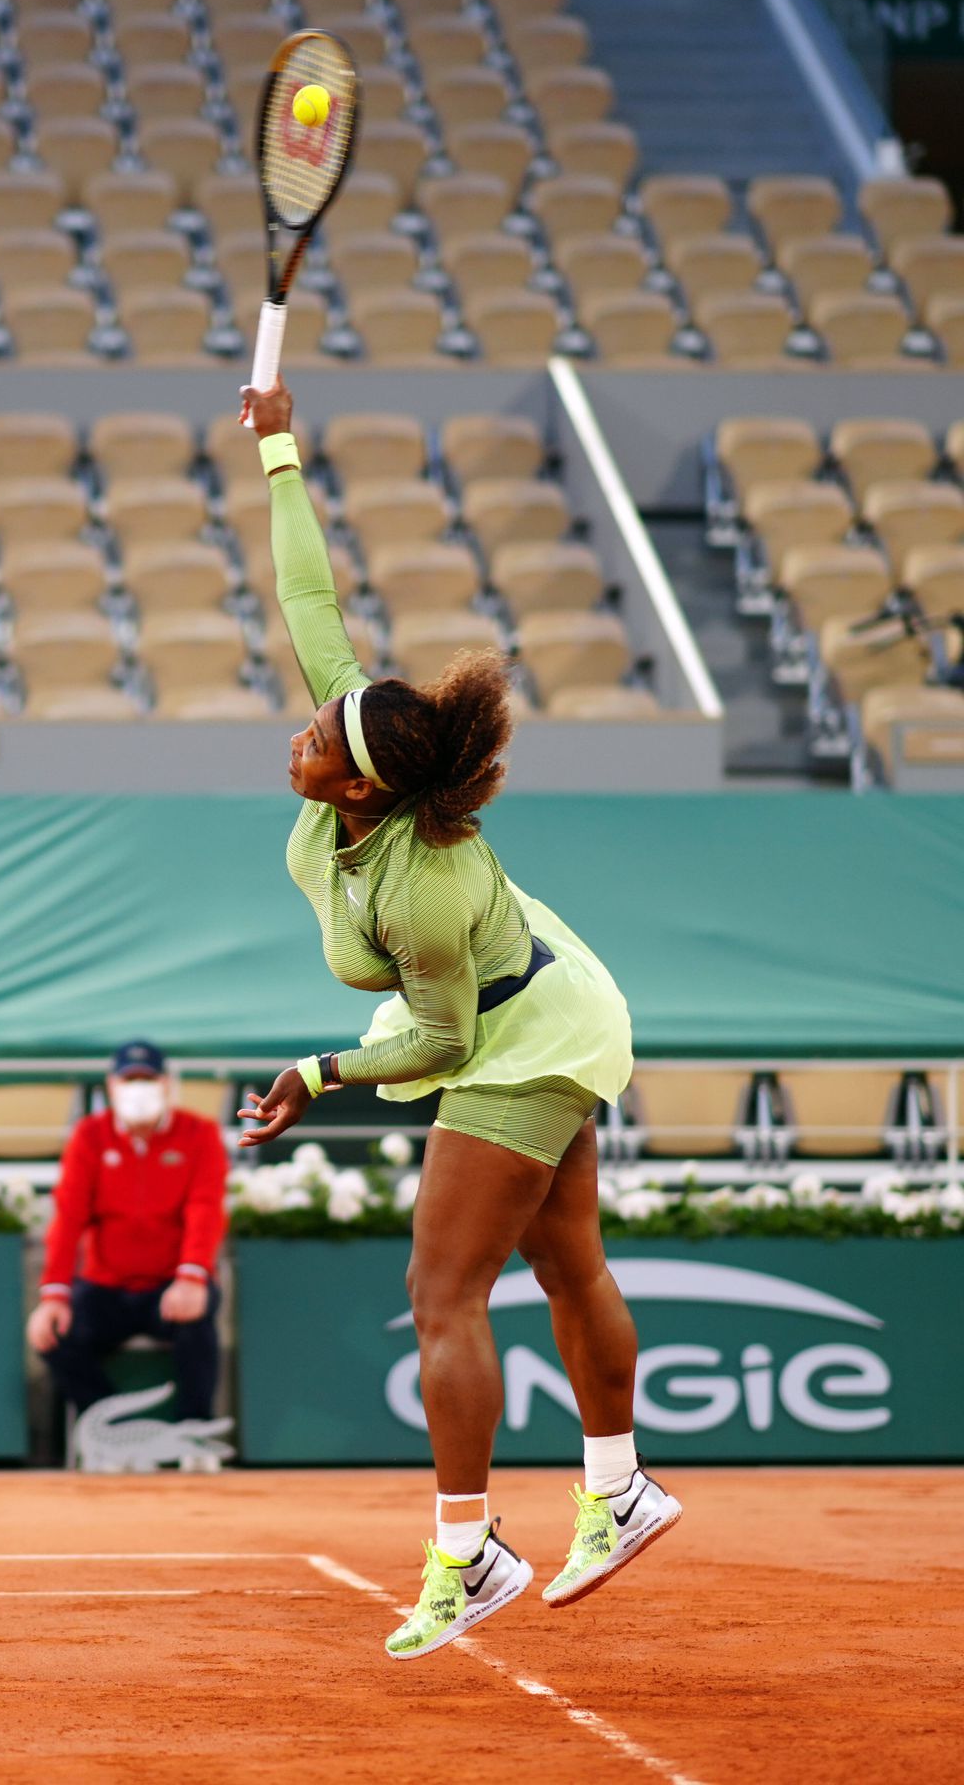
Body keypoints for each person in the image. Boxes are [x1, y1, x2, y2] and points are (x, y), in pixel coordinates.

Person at [235, 376, 682, 1662]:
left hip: (519, 1032)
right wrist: (279, 450)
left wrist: (319, 1070)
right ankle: (619, 1488)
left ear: (362, 787)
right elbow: (308, 599)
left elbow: (436, 1046)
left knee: (443, 1294)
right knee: (565, 1262)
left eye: (318, 737)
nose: (301, 731)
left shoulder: (423, 890)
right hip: (554, 991)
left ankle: (468, 1551)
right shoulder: (365, 768)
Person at [27, 1039, 228, 1431]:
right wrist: (53, 1293)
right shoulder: (90, 1135)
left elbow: (205, 1209)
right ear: (111, 1085)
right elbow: (68, 1219)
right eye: (129, 1078)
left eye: (147, 1078)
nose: (138, 1087)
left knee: (197, 1321)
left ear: (167, 1084)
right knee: (52, 1336)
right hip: (106, 1288)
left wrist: (191, 1276)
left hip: (169, 1286)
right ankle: (114, 1429)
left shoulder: (199, 1133)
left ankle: (194, 1431)